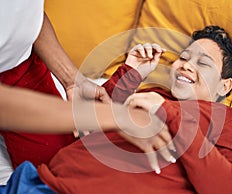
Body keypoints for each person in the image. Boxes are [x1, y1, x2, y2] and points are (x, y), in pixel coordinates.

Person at [0, 26, 232, 194]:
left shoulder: (229, 120)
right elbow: (91, 122)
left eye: (203, 63)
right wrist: (130, 73)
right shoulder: (154, 94)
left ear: (224, 85)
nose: (186, 64)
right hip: (34, 181)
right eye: (184, 57)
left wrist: (171, 113)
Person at [0, 0, 174, 171]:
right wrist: (119, 114)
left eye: (201, 62)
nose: (186, 65)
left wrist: (73, 79)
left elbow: (25, 14)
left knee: (53, 160)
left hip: (21, 64)